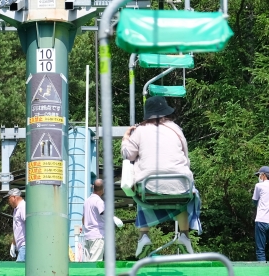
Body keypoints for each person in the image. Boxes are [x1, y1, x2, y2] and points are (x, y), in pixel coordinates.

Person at [121, 96, 200, 257]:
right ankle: (185, 236)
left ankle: (144, 236)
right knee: (181, 201)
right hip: (181, 184)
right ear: (165, 112)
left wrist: (126, 137)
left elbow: (128, 155)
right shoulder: (176, 129)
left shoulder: (139, 131)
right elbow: (185, 156)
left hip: (150, 186)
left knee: (140, 193)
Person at [252, 165, 269, 262]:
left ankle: (262, 269)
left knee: (260, 249)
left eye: (259, 175)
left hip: (261, 220)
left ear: (263, 175)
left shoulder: (259, 186)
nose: (259, 177)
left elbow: (254, 201)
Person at [79, 179, 106, 262]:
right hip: (97, 235)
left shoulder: (86, 201)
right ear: (103, 189)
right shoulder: (99, 201)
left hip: (87, 236)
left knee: (87, 263)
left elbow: (83, 219)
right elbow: (103, 214)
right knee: (95, 263)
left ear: (93, 187)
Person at [7, 188, 26, 262]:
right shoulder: (16, 209)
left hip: (25, 245)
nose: (9, 201)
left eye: (9, 198)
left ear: (14, 197)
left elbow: (30, 224)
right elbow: (17, 228)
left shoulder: (23, 207)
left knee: (19, 269)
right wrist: (13, 244)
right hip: (21, 246)